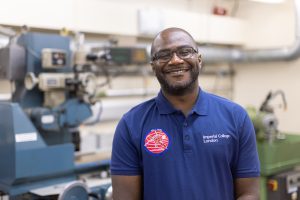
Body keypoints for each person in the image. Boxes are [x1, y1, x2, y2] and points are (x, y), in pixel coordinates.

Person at [110, 27, 260, 200]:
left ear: (199, 59)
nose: (175, 60)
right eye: (163, 55)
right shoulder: (131, 124)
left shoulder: (235, 117)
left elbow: (248, 193)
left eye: (185, 52)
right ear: (153, 66)